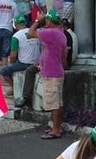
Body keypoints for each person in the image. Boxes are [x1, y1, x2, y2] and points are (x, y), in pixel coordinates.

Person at [27, 10, 67, 139]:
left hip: (51, 73)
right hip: (56, 71)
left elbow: (30, 33)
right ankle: (57, 127)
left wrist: (38, 20)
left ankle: (55, 130)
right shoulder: (60, 33)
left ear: (49, 21)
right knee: (58, 103)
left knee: (53, 104)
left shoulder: (51, 33)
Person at [0, 15, 40, 97]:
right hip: (37, 62)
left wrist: (11, 63)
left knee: (3, 71)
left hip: (25, 63)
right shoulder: (34, 32)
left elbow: (13, 56)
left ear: (15, 24)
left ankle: (14, 88)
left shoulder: (16, 36)